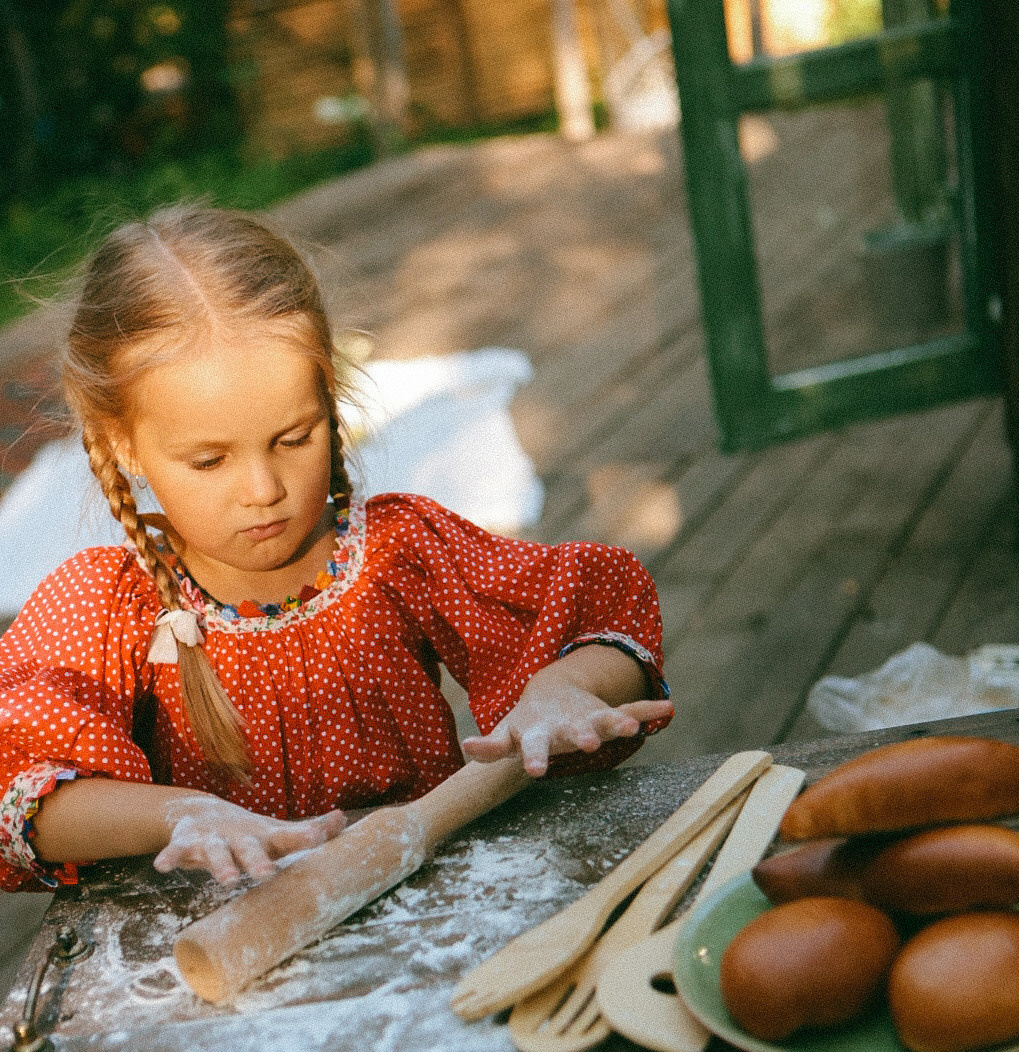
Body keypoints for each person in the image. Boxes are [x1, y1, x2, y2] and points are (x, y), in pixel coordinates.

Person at [0, 206, 672, 893]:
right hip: (211, 948)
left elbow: (602, 624)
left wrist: (565, 691)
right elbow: (21, 795)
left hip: (425, 911)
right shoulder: (104, 607)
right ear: (121, 443)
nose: (263, 490)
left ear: (330, 399)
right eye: (209, 461)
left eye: (295, 438)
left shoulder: (401, 551)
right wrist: (179, 815)